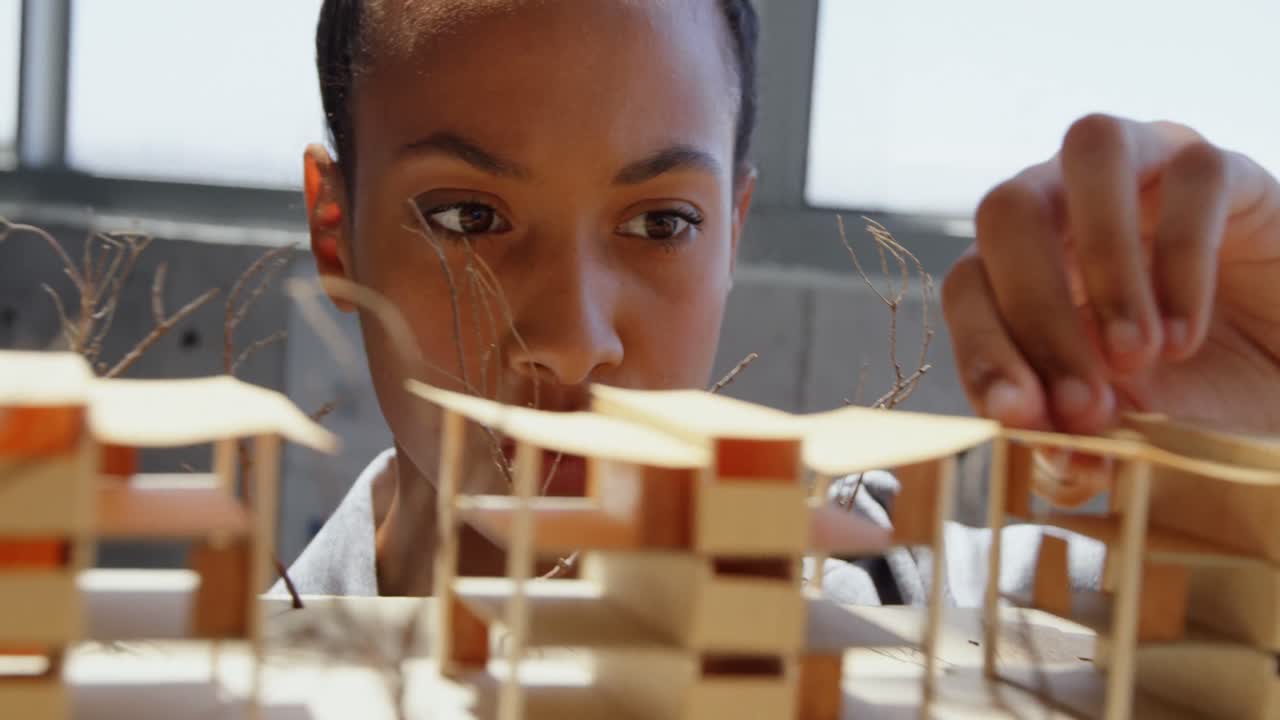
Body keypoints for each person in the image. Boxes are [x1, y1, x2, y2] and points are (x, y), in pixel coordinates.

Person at [282, 0, 1280, 603]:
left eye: (660, 224)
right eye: (465, 218)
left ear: (733, 231)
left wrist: (1255, 453)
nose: (573, 342)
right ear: (337, 231)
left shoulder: (919, 608)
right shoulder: (214, 678)